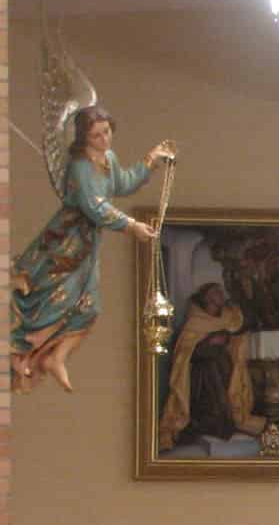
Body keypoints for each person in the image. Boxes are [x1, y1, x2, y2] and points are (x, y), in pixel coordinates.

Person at [11, 106, 172, 393]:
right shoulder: (79, 166)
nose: (104, 140)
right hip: (66, 242)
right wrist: (131, 225)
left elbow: (122, 183)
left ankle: (56, 358)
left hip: (87, 245)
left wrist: (151, 160)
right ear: (83, 137)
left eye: (107, 132)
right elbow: (94, 206)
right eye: (96, 136)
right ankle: (21, 351)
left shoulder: (107, 159)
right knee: (53, 301)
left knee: (89, 308)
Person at [156, 283, 265, 454]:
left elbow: (241, 326)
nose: (221, 295)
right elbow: (185, 353)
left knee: (223, 371)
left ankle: (228, 417)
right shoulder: (196, 320)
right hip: (201, 373)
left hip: (224, 367)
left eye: (221, 292)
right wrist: (208, 342)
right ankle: (215, 421)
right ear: (207, 298)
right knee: (211, 371)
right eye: (216, 292)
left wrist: (226, 338)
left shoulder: (228, 316)